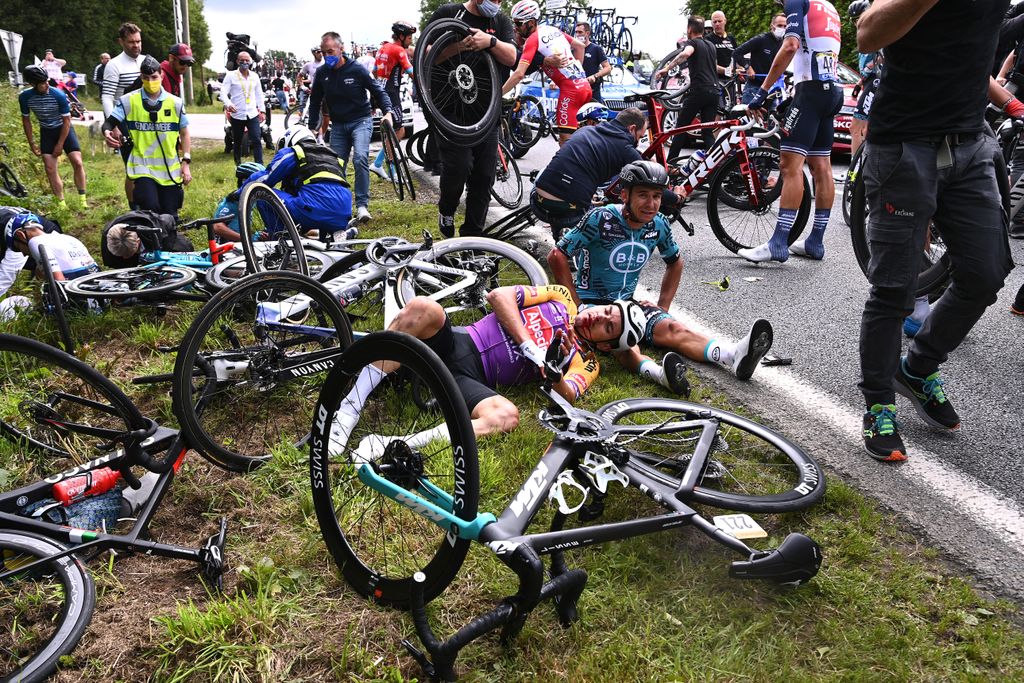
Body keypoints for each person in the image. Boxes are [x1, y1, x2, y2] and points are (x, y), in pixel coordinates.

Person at [854, 0, 1017, 462]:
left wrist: (1009, 101)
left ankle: (919, 366)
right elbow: (868, 33)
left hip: (970, 143)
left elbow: (962, 54)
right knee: (894, 288)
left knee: (986, 273)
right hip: (905, 144)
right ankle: (879, 401)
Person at [548, 160, 773, 392]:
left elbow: (675, 262)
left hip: (627, 305)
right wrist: (576, 305)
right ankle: (659, 374)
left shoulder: (659, 224)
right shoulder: (601, 219)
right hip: (594, 305)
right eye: (643, 195)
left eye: (657, 196)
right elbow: (557, 255)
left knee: (673, 328)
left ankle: (732, 355)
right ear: (624, 195)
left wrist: (662, 307)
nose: (651, 204)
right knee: (625, 344)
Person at [327, 284, 612, 454]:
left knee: (507, 416)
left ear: (607, 345)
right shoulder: (561, 297)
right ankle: (348, 410)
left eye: (608, 326)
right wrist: (528, 344)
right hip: (458, 343)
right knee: (423, 307)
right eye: (607, 310)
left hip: (472, 379)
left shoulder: (586, 359)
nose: (599, 317)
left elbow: (569, 394)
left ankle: (394, 443)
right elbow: (499, 296)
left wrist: (554, 374)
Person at [737, 0, 843, 263]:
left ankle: (778, 243)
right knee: (821, 167)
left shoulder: (799, 1)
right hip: (832, 91)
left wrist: (762, 92)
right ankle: (815, 242)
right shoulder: (828, 6)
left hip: (811, 92)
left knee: (789, 166)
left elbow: (790, 45)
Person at [427, 0, 518, 237]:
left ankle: (473, 237)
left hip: (487, 112)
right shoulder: (448, 13)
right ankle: (447, 209)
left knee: (484, 176)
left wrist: (490, 42)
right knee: (459, 166)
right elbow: (425, 54)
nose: (496, 3)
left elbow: (512, 57)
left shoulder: (500, 21)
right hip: (451, 112)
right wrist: (460, 46)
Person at [308, 32, 393, 226]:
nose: (326, 55)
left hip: (361, 120)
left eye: (330, 51)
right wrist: (313, 127)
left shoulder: (356, 69)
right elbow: (314, 102)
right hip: (338, 125)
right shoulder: (322, 73)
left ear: (341, 48)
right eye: (323, 52)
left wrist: (388, 111)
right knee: (335, 166)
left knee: (360, 157)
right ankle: (341, 205)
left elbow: (377, 90)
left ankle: (362, 205)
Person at [530, 107, 647, 240]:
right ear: (632, 129)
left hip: (537, 204)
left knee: (549, 173)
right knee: (607, 223)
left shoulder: (585, 130)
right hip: (571, 214)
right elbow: (650, 186)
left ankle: (558, 237)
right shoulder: (626, 150)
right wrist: (675, 199)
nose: (637, 143)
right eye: (639, 137)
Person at [102, 55, 192, 216]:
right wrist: (107, 132)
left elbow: (184, 133)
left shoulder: (176, 103)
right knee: (150, 209)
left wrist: (185, 162)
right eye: (145, 78)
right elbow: (109, 122)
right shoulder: (129, 101)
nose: (150, 81)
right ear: (141, 78)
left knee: (170, 217)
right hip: (142, 167)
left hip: (169, 170)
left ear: (161, 75)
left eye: (154, 77)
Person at [502, 0, 591, 146]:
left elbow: (519, 74)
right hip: (584, 86)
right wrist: (578, 71)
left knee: (565, 143)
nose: (515, 28)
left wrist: (499, 94)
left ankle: (569, 168)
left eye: (518, 24)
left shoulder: (533, 39)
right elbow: (580, 47)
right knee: (581, 141)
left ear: (530, 23)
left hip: (571, 92)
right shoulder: (552, 29)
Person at [241, 126, 353, 239]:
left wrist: (241, 192)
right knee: (313, 197)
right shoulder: (334, 158)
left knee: (263, 194)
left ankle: (281, 241)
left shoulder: (294, 152)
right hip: (344, 214)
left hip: (313, 211)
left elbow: (265, 178)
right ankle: (331, 237)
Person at [19, 65, 88, 209]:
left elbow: (67, 121)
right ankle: (61, 204)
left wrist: (60, 145)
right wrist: (32, 143)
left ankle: (82, 199)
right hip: (47, 131)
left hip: (64, 129)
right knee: (50, 168)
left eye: (47, 81)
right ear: (32, 84)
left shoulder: (58, 94)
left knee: (77, 162)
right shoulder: (25, 97)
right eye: (42, 83)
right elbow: (26, 120)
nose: (46, 85)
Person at [654, 16, 721, 159]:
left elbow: (685, 53)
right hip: (715, 92)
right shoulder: (711, 46)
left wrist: (666, 68)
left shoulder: (692, 43)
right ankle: (716, 166)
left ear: (689, 29)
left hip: (699, 90)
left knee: (680, 128)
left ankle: (671, 163)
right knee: (707, 132)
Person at [369, 21, 416, 178]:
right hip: (391, 92)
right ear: (401, 37)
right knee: (399, 130)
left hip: (381, 90)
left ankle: (378, 163)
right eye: (409, 37)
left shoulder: (383, 47)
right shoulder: (398, 50)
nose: (411, 40)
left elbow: (375, 71)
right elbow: (411, 72)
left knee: (392, 130)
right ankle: (388, 167)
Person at [0, 207, 62, 320]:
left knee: (55, 281)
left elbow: (8, 272)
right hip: (23, 232)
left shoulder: (12, 230)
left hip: (33, 234)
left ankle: (53, 309)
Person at [4, 211, 97, 282]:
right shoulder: (68, 238)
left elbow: (59, 282)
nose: (24, 254)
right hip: (96, 288)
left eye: (18, 248)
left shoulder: (35, 242)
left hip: (78, 297)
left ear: (21, 235)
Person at [220, 51, 265, 166]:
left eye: (247, 60)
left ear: (250, 62)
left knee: (256, 139)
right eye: (242, 60)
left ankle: (259, 166)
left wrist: (262, 110)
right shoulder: (231, 76)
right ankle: (238, 164)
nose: (244, 62)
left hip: (252, 113)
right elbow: (223, 93)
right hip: (237, 114)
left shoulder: (254, 76)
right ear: (237, 62)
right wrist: (228, 103)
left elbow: (259, 94)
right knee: (238, 141)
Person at [732, 13, 787, 105]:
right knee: (750, 118)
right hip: (754, 87)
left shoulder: (784, 43)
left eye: (785, 26)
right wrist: (748, 68)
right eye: (779, 25)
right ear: (772, 25)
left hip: (773, 89)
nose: (782, 28)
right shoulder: (761, 39)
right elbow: (736, 53)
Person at [211, 162, 265, 241]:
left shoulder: (252, 200)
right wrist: (247, 240)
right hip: (225, 246)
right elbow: (217, 227)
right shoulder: (234, 200)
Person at [102, 23, 145, 118]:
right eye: (131, 42)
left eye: (138, 41)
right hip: (123, 119)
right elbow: (107, 98)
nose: (136, 45)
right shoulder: (114, 65)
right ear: (121, 42)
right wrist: (112, 124)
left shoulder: (146, 61)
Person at [575, 22, 611, 104]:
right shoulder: (573, 49)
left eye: (580, 32)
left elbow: (608, 68)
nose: (577, 35)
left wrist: (595, 76)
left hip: (592, 91)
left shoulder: (596, 48)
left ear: (587, 33)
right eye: (576, 32)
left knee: (594, 116)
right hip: (577, 90)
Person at [706, 11, 738, 103]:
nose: (717, 24)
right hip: (715, 80)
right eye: (714, 22)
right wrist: (727, 70)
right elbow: (710, 64)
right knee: (719, 109)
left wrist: (742, 68)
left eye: (719, 21)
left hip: (731, 81)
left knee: (731, 107)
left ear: (725, 21)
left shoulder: (731, 38)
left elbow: (737, 57)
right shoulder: (708, 40)